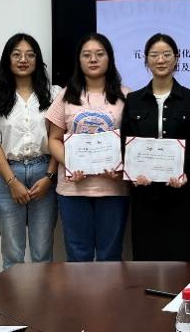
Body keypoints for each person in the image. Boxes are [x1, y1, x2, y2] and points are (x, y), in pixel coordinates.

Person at [46, 33, 130, 262]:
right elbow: (53, 139)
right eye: (87, 55)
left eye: (99, 54)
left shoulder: (127, 96)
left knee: (109, 256)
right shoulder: (65, 96)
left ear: (109, 58)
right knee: (78, 256)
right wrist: (71, 163)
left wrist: (122, 167)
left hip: (113, 189)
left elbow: (132, 142)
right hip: (73, 190)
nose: (93, 59)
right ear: (79, 60)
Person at [121, 33, 190, 261]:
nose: (161, 60)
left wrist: (186, 175)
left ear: (176, 58)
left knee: (183, 256)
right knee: (147, 257)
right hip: (145, 193)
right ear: (146, 60)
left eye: (167, 54)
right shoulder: (134, 100)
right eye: (154, 55)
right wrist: (133, 174)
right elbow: (126, 142)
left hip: (181, 193)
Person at [0, 33, 59, 270]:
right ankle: (14, 297)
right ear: (8, 59)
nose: (23, 60)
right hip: (8, 174)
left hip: (44, 173)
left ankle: (41, 297)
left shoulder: (54, 94)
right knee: (12, 255)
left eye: (29, 55)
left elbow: (59, 138)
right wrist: (12, 182)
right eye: (16, 55)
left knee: (42, 253)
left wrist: (50, 177)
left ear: (37, 60)